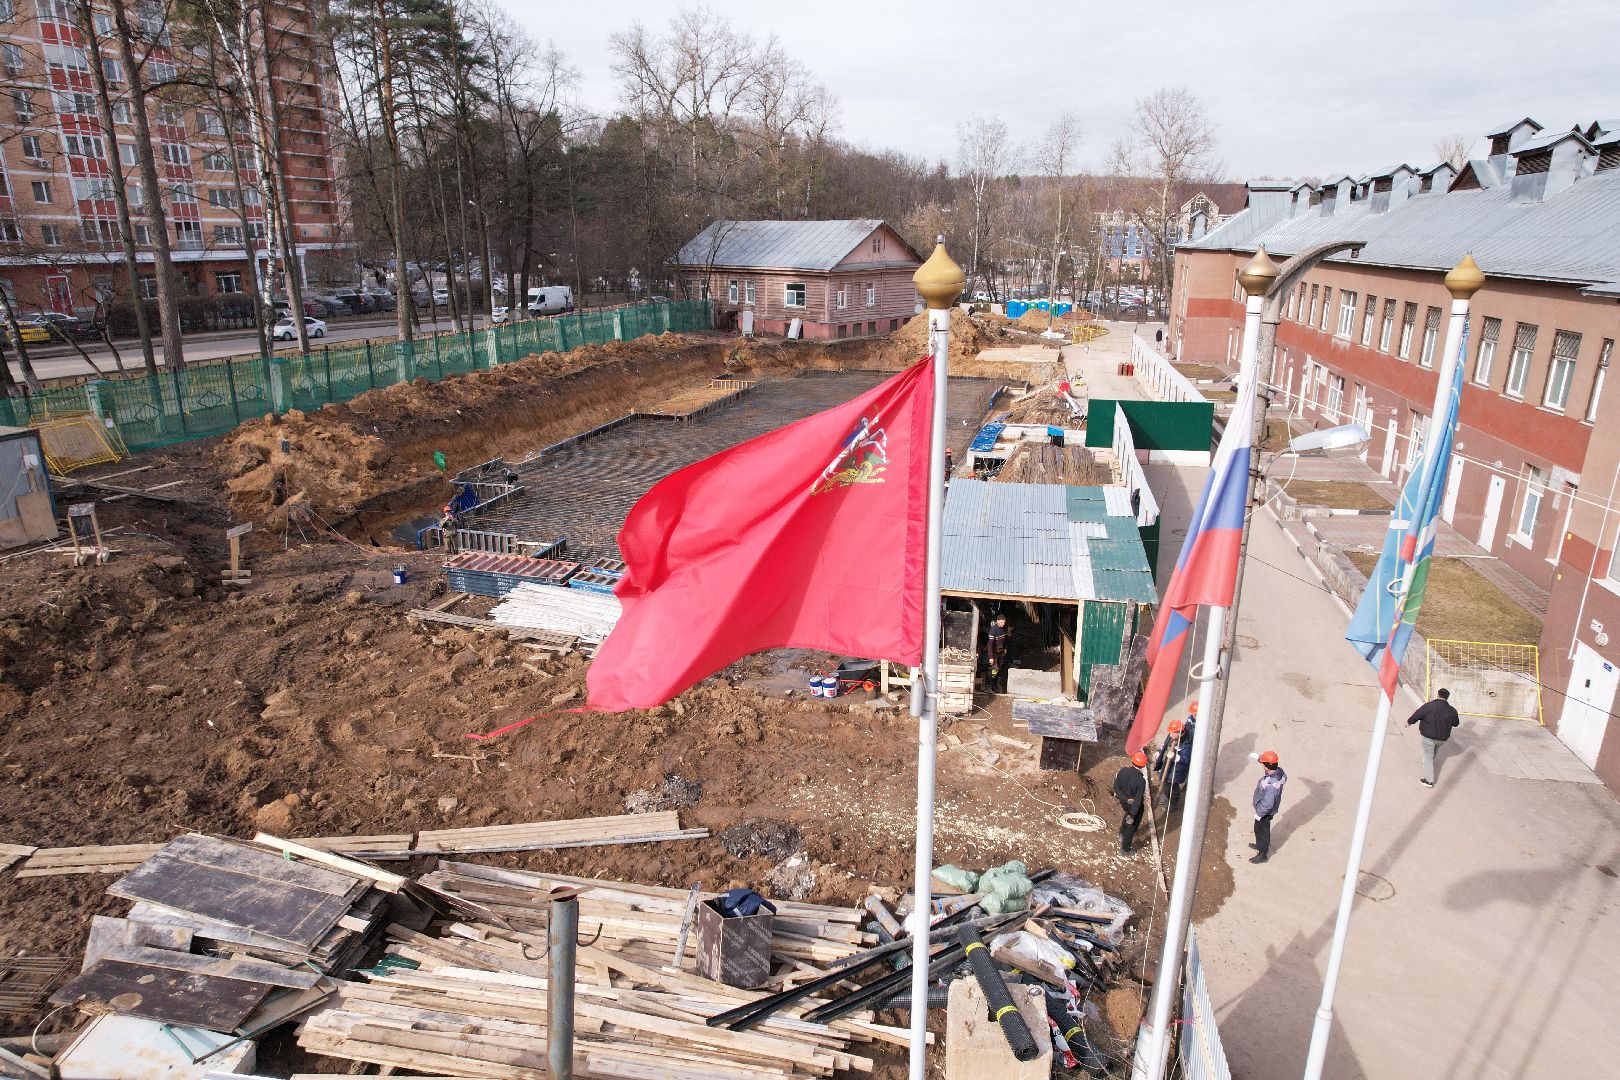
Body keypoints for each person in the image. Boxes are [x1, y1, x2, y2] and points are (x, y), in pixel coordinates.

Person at [1407, 687, 1461, 788]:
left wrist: (1410, 722)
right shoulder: (1452, 710)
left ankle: (1429, 780)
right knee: (1433, 751)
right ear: (1447, 698)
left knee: (1428, 756)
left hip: (1429, 736)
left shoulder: (1430, 706)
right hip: (1442, 738)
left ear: (1438, 695)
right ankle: (1429, 764)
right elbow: (1456, 723)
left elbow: (1418, 714)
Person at [1250, 750, 1287, 864]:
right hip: (1264, 810)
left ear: (1267, 766)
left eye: (1262, 763)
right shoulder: (1277, 771)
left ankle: (1262, 853)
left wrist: (1259, 814)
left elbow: (1268, 803)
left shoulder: (1271, 785)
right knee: (1259, 829)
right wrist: (1259, 758)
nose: (1261, 764)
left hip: (1265, 812)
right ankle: (1260, 844)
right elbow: (1268, 763)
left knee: (1262, 830)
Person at [1154, 713, 1195, 811]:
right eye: (1170, 732)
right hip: (1166, 765)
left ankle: (1173, 803)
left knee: (1172, 787)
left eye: (1173, 733)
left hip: (1176, 771)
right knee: (1165, 784)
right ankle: (1166, 796)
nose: (1170, 735)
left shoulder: (1187, 743)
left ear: (1180, 733)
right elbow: (1165, 743)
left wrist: (1175, 757)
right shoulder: (1172, 735)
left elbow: (1186, 760)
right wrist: (1159, 752)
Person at [1114, 752, 1149, 855]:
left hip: (1124, 802)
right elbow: (1138, 799)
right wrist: (1133, 814)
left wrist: (1125, 798)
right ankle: (1125, 849)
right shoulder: (1141, 781)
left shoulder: (1123, 771)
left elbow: (1116, 787)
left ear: (1132, 761)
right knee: (1131, 825)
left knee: (1127, 813)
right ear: (1143, 765)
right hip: (1134, 806)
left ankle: (1122, 832)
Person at [985, 614, 1010, 692]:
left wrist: (1005, 648)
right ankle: (988, 686)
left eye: (1004, 622)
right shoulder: (993, 630)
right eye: (1002, 622)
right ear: (997, 621)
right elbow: (989, 645)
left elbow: (1006, 639)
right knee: (994, 669)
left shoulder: (1004, 629)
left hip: (1001, 652)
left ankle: (994, 685)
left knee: (998, 669)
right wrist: (991, 657)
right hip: (994, 653)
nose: (1003, 624)